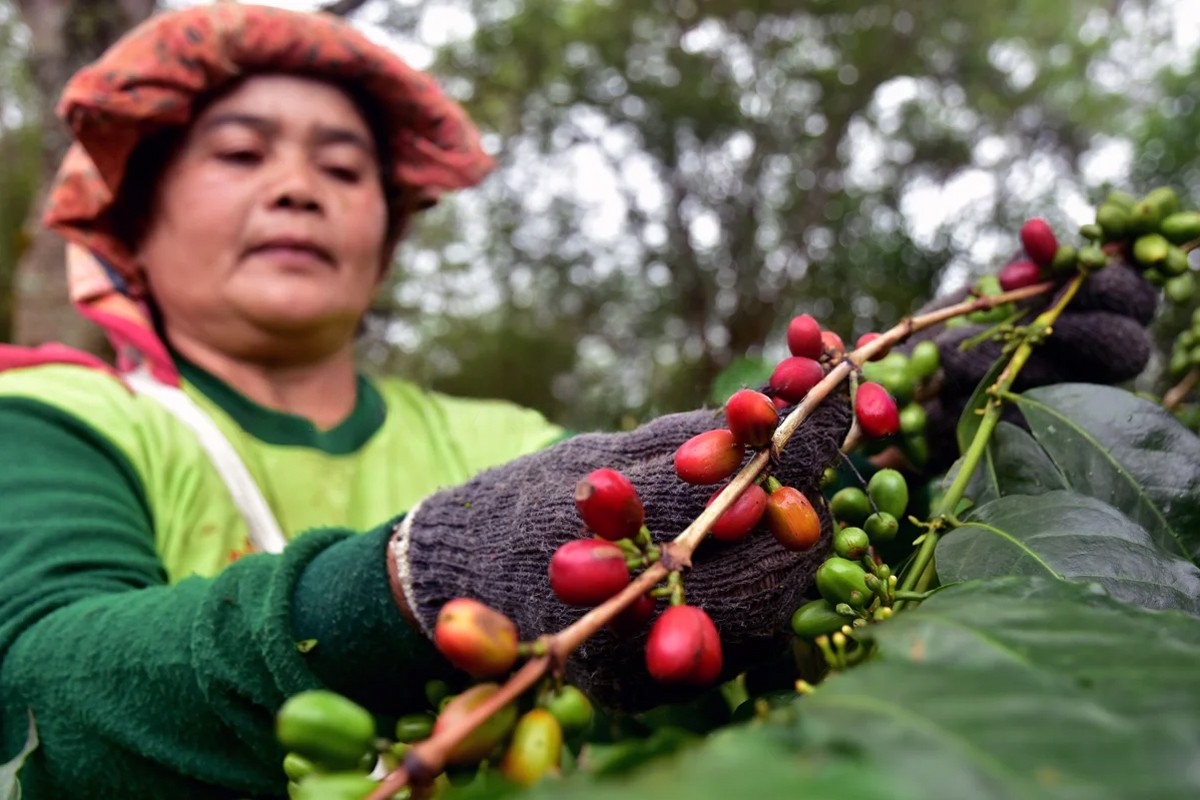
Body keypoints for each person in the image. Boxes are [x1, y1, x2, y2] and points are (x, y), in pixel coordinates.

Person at [0, 4, 1157, 798]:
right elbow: (42, 692)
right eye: (241, 154)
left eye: (344, 169)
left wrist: (951, 420)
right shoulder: (65, 418)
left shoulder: (495, 437)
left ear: (385, 239)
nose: (299, 186)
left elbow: (727, 551)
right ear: (135, 219)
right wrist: (411, 585)